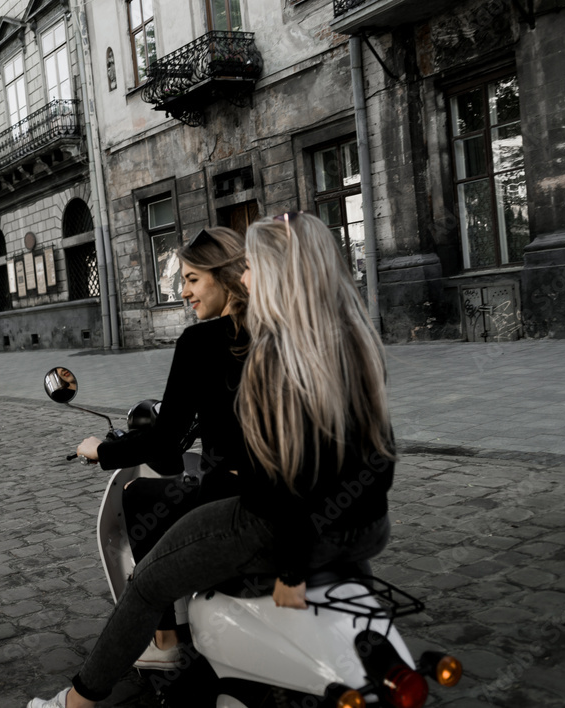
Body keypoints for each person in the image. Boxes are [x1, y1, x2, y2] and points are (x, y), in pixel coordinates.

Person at [29, 213, 397, 708]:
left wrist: (292, 567)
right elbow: (378, 458)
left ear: (276, 274)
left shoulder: (271, 351)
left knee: (146, 586)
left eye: (254, 267)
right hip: (367, 525)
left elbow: (278, 480)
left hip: (281, 527)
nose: (246, 275)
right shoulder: (355, 341)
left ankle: (80, 699)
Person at [75, 226, 248, 669]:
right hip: (279, 493)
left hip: (232, 499)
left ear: (223, 276)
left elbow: (165, 436)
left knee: (139, 496)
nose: (184, 291)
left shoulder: (200, 341)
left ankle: (165, 638)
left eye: (192, 279)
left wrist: (103, 452)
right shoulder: (274, 330)